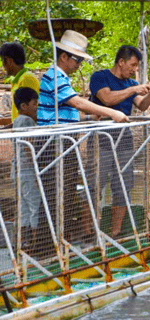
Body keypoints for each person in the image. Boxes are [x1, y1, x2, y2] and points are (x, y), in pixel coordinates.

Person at [36, 30, 128, 246]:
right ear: (63, 57)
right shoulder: (54, 75)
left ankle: (59, 241)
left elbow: (67, 110)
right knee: (54, 194)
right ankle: (48, 245)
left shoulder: (62, 78)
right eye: (76, 59)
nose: (79, 64)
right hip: (52, 145)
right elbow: (76, 102)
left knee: (66, 192)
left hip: (65, 143)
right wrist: (111, 112)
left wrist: (89, 117)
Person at [89, 45, 150, 238]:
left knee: (123, 186)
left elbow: (142, 104)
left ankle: (115, 232)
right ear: (120, 62)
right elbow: (107, 99)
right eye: (132, 65)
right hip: (101, 140)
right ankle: (88, 232)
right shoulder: (100, 77)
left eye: (137, 66)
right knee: (93, 186)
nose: (134, 70)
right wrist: (134, 88)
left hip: (124, 140)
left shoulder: (130, 83)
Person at [11, 87, 41, 251]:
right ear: (24, 106)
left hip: (16, 170)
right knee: (35, 204)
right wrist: (36, 169)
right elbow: (30, 147)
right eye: (35, 103)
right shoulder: (28, 121)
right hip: (27, 170)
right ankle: (36, 241)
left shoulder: (16, 120)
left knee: (23, 205)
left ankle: (21, 241)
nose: (37, 106)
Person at [0, 42, 40, 123]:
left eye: (3, 62)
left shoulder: (27, 79)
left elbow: (29, 114)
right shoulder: (17, 81)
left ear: (9, 60)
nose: (3, 66)